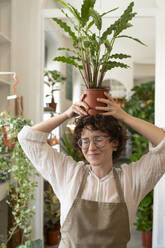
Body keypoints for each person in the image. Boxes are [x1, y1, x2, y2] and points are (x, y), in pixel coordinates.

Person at [18, 92, 165, 248]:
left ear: (114, 143)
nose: (91, 148)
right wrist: (66, 114)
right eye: (85, 141)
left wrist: (124, 117)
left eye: (99, 139)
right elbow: (28, 138)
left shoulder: (131, 180)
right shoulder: (68, 173)